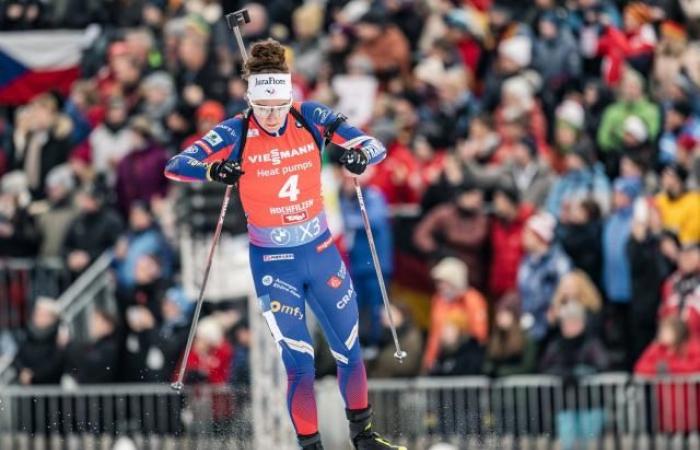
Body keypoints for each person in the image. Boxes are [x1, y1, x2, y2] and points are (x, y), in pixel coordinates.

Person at [164, 39, 404, 450]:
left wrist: (360, 157)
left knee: (350, 350)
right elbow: (177, 166)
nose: (272, 115)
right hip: (275, 262)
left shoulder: (310, 116)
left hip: (321, 251)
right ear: (251, 102)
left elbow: (372, 144)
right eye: (264, 108)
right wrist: (215, 170)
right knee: (300, 364)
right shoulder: (236, 130)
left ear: (290, 96)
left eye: (279, 105)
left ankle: (363, 437)